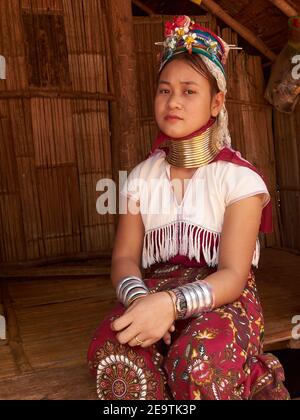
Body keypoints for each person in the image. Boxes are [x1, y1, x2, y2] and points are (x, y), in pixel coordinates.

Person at [87, 15, 290, 400]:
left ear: (217, 102)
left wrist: (171, 304)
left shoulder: (240, 180)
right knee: (116, 357)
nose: (173, 101)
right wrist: (142, 301)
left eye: (188, 91)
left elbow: (233, 274)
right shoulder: (141, 179)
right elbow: (125, 259)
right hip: (150, 292)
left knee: (196, 358)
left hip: (224, 296)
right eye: (164, 90)